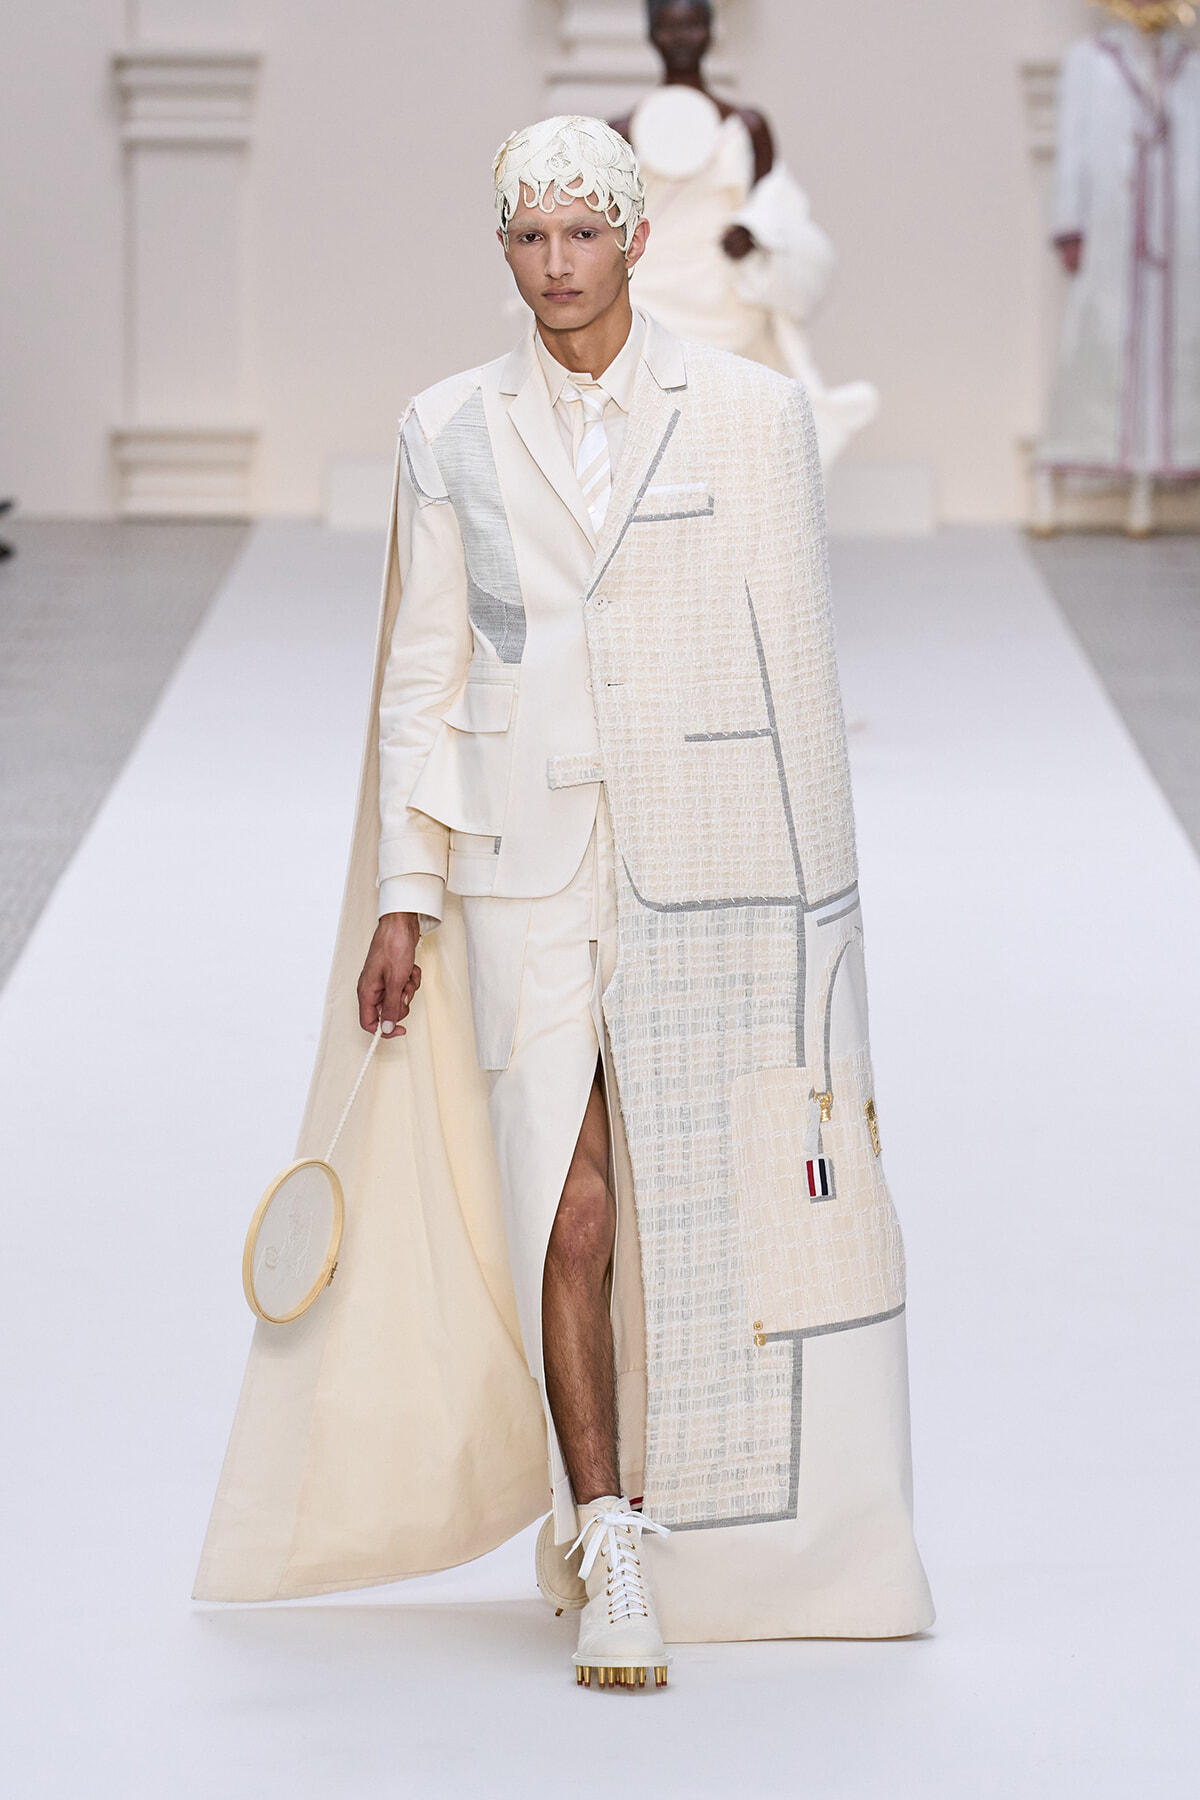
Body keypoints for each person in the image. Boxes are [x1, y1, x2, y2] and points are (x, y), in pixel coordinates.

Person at [195, 115, 932, 1688]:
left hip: (711, 856)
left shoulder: (747, 414)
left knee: (719, 1205)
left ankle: (752, 1532)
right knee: (569, 1197)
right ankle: (607, 1532)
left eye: (578, 236)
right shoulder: (444, 427)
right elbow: (424, 673)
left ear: (633, 240)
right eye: (526, 239)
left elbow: (796, 661)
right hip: (521, 866)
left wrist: (822, 918)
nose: (551, 267)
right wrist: (405, 895)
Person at [611, 0, 878, 465]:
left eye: (692, 26)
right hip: (650, 293)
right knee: (653, 433)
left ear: (711, 32)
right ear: (652, 35)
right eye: (670, 28)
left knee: (730, 434)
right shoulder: (622, 131)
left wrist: (753, 232)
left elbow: (774, 204)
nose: (682, 38)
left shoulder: (746, 126)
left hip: (726, 296)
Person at [1034, 0, 1200, 536]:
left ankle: (1154, 477)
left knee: (1179, 347)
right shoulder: (1089, 59)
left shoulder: (1189, 66)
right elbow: (1073, 146)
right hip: (1111, 225)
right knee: (1098, 339)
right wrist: (1070, 223)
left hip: (1180, 229)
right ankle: (1063, 464)